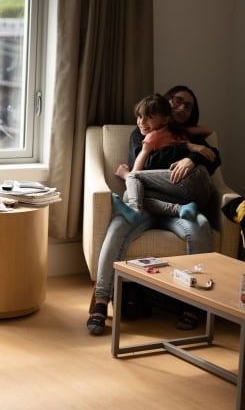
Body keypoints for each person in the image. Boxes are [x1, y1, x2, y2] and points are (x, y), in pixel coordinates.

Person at [87, 85, 221, 335]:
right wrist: (185, 151)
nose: (182, 107)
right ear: (167, 104)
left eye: (188, 105)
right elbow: (146, 166)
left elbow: (214, 158)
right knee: (118, 224)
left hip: (182, 208)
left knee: (200, 226)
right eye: (177, 101)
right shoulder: (142, 133)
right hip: (149, 203)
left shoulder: (190, 135)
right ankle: (101, 301)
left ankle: (193, 304)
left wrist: (193, 158)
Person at [111, 94, 215, 224]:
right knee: (133, 194)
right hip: (200, 195)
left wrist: (126, 175)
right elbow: (208, 130)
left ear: (165, 119)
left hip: (190, 178)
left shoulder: (152, 136)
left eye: (149, 117)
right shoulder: (179, 132)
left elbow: (136, 171)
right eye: (139, 116)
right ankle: (180, 209)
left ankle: (135, 210)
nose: (142, 122)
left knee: (132, 185)